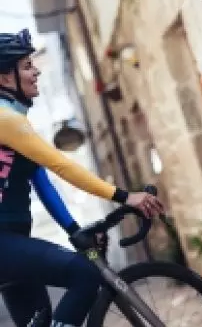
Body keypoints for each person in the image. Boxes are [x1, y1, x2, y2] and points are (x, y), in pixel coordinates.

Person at [0, 28, 164, 327]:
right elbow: (63, 165)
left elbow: (42, 182)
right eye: (26, 66)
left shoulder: (14, 121)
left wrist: (74, 230)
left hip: (12, 241)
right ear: (4, 78)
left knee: (40, 319)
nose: (36, 71)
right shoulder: (5, 119)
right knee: (85, 273)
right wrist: (126, 196)